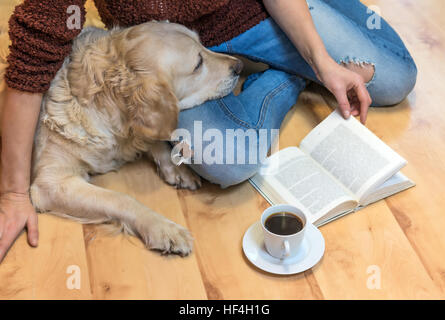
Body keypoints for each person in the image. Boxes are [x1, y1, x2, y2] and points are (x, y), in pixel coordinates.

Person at [0, 0, 417, 262]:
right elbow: (33, 49)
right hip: (178, 57)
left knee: (393, 79)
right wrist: (16, 193)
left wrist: (323, 62)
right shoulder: (148, 89)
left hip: (257, 16)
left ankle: (309, 35)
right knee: (229, 158)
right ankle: (285, 76)